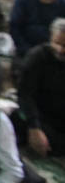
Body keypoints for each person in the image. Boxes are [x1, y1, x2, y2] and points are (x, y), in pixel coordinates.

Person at [18, 17, 65, 157]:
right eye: (57, 44)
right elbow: (25, 95)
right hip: (42, 117)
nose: (61, 50)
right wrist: (34, 128)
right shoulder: (37, 57)